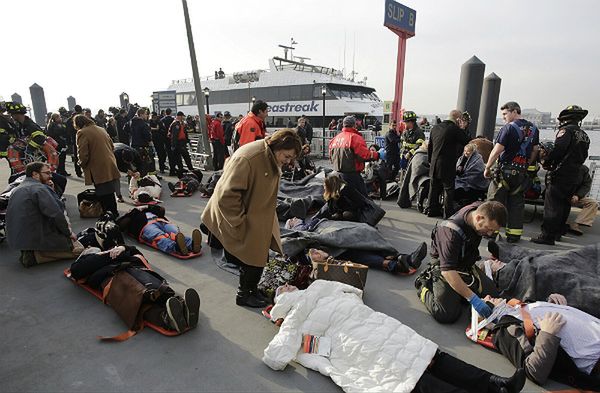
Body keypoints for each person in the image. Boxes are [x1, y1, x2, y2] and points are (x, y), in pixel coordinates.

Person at [264, 280, 526, 393]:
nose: (288, 285)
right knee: (417, 375)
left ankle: (497, 383)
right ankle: (495, 386)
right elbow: (275, 357)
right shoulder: (293, 318)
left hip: (373, 326)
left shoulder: (316, 291)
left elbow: (354, 292)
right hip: (360, 345)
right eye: (282, 289)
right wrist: (289, 328)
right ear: (281, 301)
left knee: (430, 356)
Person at [201, 129, 302, 308]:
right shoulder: (250, 158)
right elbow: (228, 195)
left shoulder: (267, 155)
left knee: (258, 255)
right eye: (286, 156)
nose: (287, 162)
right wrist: (239, 222)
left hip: (257, 213)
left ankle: (250, 290)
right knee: (252, 255)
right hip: (244, 216)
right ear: (278, 146)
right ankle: (244, 294)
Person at [70, 245, 201, 334]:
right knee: (138, 299)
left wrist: (123, 247)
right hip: (113, 279)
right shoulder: (85, 262)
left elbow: (137, 253)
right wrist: (105, 255)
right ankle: (166, 318)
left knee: (157, 287)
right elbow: (77, 271)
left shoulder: (116, 252)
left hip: (134, 269)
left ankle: (182, 307)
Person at [415, 201, 506, 324]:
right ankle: (423, 286)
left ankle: (461, 291)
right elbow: (448, 272)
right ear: (479, 217)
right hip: (446, 267)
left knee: (494, 295)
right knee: (446, 314)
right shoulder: (449, 233)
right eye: (488, 229)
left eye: (493, 231)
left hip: (465, 263)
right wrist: (473, 299)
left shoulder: (478, 209)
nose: (490, 234)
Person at [486, 296, 600, 391]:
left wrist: (554, 304)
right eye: (483, 300)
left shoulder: (521, 306)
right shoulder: (506, 329)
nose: (487, 296)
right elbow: (533, 371)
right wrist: (547, 334)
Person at [531, 105, 590, 245]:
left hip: (561, 174)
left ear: (564, 120)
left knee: (552, 206)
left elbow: (558, 150)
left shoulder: (565, 131)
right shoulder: (585, 136)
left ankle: (547, 236)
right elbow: (584, 155)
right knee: (564, 206)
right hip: (575, 175)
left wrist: (548, 161)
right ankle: (558, 232)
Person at [6, 162, 83, 267]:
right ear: (35, 174)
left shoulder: (18, 188)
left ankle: (33, 252)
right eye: (47, 173)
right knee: (79, 249)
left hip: (18, 240)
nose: (50, 176)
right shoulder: (39, 189)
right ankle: (36, 256)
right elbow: (56, 214)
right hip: (35, 238)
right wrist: (68, 234)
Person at [484, 101, 539, 243]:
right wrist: (526, 164)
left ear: (515, 111)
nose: (503, 118)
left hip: (504, 172)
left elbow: (497, 150)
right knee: (517, 205)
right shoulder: (534, 129)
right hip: (521, 174)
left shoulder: (508, 128)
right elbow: (534, 150)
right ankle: (514, 235)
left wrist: (488, 167)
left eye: (505, 114)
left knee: (494, 203)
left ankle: (490, 232)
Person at [426, 109, 471, 218]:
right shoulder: (454, 129)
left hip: (434, 163)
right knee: (448, 189)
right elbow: (466, 140)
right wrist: (461, 128)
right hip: (447, 164)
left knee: (434, 188)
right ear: (458, 119)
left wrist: (431, 161)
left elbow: (430, 147)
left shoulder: (435, 128)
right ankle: (448, 213)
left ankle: (431, 210)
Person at [75, 114, 121, 216]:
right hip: (109, 162)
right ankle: (113, 211)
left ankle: (108, 213)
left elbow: (83, 152)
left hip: (97, 165)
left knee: (102, 191)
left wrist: (81, 163)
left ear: (78, 124)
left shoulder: (82, 132)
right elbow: (112, 145)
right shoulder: (101, 129)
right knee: (109, 190)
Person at [116, 205, 202, 256]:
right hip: (146, 226)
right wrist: (130, 213)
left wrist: (147, 207)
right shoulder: (131, 216)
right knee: (159, 236)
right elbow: (120, 225)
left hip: (161, 221)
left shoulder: (148, 210)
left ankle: (192, 244)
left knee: (175, 233)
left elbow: (161, 210)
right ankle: (176, 248)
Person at [328, 116, 379, 197]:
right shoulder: (354, 138)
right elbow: (363, 155)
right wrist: (377, 155)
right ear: (355, 125)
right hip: (352, 176)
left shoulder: (335, 139)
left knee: (337, 201)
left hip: (337, 175)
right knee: (363, 201)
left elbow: (330, 157)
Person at [454, 143, 489, 208]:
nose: (466, 153)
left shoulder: (477, 159)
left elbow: (477, 173)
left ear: (473, 152)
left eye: (468, 151)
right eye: (464, 151)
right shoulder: (462, 158)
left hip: (473, 184)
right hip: (462, 179)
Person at [567, 165, 598, 236]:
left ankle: (577, 223)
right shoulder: (561, 166)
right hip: (559, 194)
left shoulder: (583, 169)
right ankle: (561, 223)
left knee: (593, 203)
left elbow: (586, 184)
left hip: (575, 196)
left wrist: (578, 195)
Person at [130, 107, 156, 175]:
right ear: (141, 114)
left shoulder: (131, 122)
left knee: (137, 165)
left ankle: (137, 181)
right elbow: (148, 137)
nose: (146, 115)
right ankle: (145, 180)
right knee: (145, 165)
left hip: (134, 146)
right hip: (143, 147)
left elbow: (125, 129)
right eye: (145, 114)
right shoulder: (144, 124)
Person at [66, 105, 84, 177]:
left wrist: (68, 141)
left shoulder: (69, 120)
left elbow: (67, 132)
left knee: (77, 156)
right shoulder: (82, 118)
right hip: (82, 138)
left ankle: (78, 171)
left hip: (74, 139)